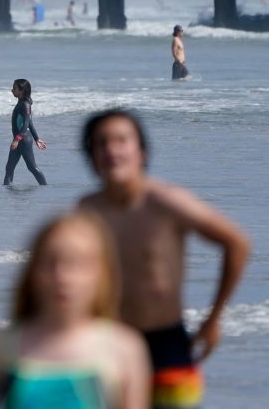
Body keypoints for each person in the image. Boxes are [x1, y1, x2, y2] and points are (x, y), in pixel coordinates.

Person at [77, 110, 250, 408]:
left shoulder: (165, 201)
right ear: (91, 157)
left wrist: (213, 320)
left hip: (167, 345)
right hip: (110, 345)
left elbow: (236, 243)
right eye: (101, 143)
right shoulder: (87, 210)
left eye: (121, 140)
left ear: (141, 151)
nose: (111, 150)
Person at [0, 211, 151, 409]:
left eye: (78, 264)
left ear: (102, 273)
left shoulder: (123, 350)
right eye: (50, 262)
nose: (62, 277)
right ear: (33, 272)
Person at [3, 79, 48, 186]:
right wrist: (37, 138)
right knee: (9, 167)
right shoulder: (21, 102)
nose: (12, 90)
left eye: (14, 88)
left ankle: (45, 187)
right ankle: (6, 189)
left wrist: (17, 139)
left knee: (31, 167)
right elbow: (30, 123)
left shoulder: (25, 105)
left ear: (22, 91)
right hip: (19, 139)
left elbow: (26, 123)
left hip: (23, 140)